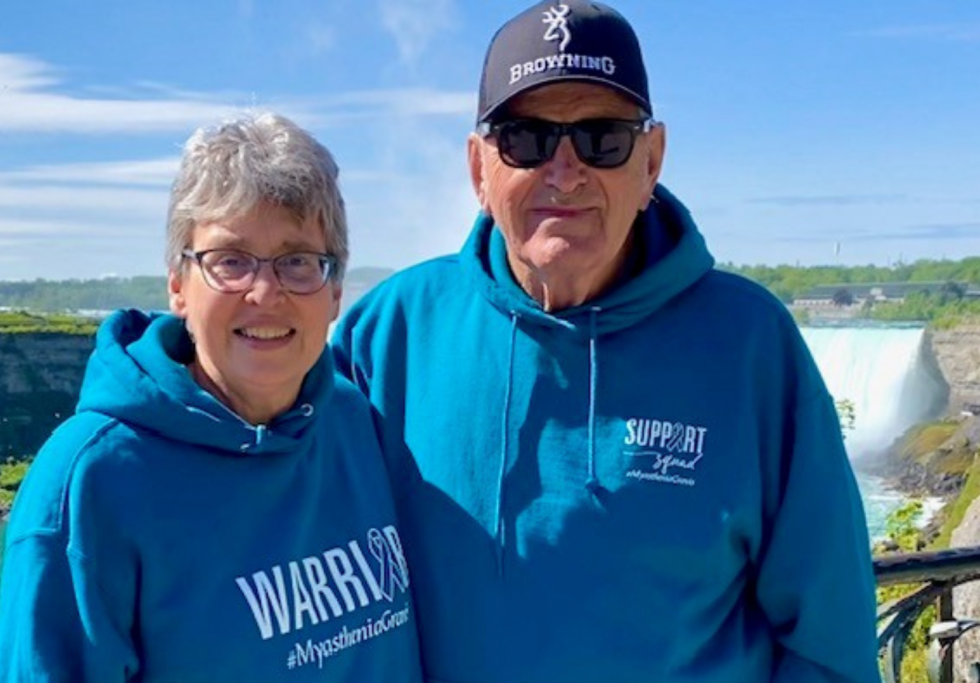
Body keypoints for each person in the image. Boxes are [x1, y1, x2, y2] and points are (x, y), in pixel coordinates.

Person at [332, 2, 880, 682]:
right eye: (526, 138)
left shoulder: (750, 344)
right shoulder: (389, 333)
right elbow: (279, 534)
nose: (564, 171)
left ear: (651, 161)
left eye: (602, 138)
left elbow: (832, 637)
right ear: (479, 169)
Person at [0, 113, 422, 682]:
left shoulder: (352, 421)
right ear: (177, 284)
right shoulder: (91, 483)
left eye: (298, 261)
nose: (265, 293)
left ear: (335, 290)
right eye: (230, 261)